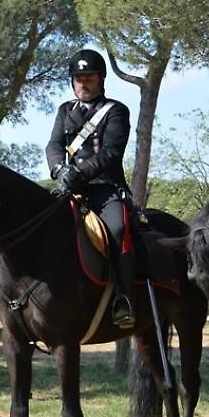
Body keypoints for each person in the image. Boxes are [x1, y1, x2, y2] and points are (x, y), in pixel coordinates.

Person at [46, 48, 136, 329]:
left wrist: (79, 173)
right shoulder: (65, 111)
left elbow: (111, 153)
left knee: (118, 230)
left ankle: (124, 298)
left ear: (101, 80)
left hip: (104, 189)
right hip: (69, 188)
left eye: (89, 78)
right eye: (79, 79)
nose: (83, 84)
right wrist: (59, 170)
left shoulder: (116, 111)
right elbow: (54, 145)